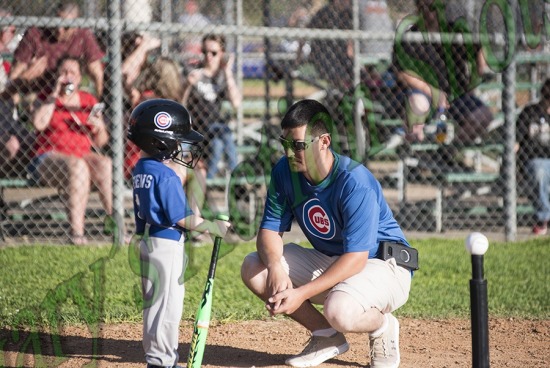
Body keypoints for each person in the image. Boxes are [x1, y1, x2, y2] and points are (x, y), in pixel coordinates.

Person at [240, 99, 413, 368]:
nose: (289, 152)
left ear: (324, 141)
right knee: (255, 266)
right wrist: (275, 267)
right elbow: (269, 231)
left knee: (339, 309)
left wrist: (300, 293)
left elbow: (357, 258)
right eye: (284, 144)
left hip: (385, 264)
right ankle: (326, 336)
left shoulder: (354, 181)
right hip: (336, 259)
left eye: (297, 145)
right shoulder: (284, 172)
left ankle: (382, 326)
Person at [127, 98, 231, 368]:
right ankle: (162, 361)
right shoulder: (166, 176)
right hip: (166, 244)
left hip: (147, 242)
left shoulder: (141, 169)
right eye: (176, 141)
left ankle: (158, 358)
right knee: (167, 308)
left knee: (155, 306)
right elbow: (182, 218)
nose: (181, 148)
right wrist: (213, 227)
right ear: (159, 142)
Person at [30, 56, 112, 245]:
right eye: (64, 72)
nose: (68, 77)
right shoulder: (45, 98)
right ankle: (77, 233)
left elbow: (100, 142)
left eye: (72, 73)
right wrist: (54, 94)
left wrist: (99, 127)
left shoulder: (88, 100)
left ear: (79, 77)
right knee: (77, 166)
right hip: (49, 156)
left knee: (105, 164)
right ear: (57, 76)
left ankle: (115, 224)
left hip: (82, 154)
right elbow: (38, 124)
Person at [392, 0, 493, 143]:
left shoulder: (454, 32)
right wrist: (433, 92)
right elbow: (402, 74)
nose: (429, 11)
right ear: (418, 8)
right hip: (423, 94)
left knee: (484, 116)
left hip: (455, 96)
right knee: (418, 104)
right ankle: (416, 152)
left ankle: (449, 151)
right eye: (424, 6)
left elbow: (479, 51)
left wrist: (473, 83)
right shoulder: (410, 36)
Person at [9, 1, 105, 99]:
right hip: (37, 95)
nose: (59, 29)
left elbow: (97, 73)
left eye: (66, 27)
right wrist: (27, 75)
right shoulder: (35, 33)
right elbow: (14, 76)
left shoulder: (83, 35)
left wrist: (99, 102)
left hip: (69, 96)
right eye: (56, 23)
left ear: (76, 26)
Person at [183, 34, 241, 180]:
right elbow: (180, 102)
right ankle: (236, 180)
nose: (208, 56)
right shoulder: (194, 71)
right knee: (220, 139)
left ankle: (210, 184)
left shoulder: (222, 76)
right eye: (205, 52)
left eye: (214, 53)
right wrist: (188, 85)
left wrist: (227, 71)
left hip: (213, 128)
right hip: (193, 127)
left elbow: (236, 103)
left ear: (221, 54)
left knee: (219, 141)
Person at [516, 78, 550, 236]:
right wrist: (511, 165)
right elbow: (516, 141)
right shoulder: (530, 113)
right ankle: (543, 218)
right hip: (533, 160)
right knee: (539, 171)